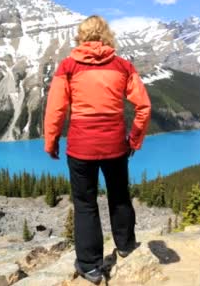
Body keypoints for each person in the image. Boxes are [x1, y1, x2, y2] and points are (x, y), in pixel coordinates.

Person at [44, 15, 151, 284]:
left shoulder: (68, 66)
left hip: (80, 147)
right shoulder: (123, 66)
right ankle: (126, 246)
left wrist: (51, 140)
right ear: (107, 36)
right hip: (115, 145)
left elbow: (56, 108)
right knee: (119, 196)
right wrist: (134, 139)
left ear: (81, 37)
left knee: (85, 205)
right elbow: (144, 107)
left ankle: (90, 266)